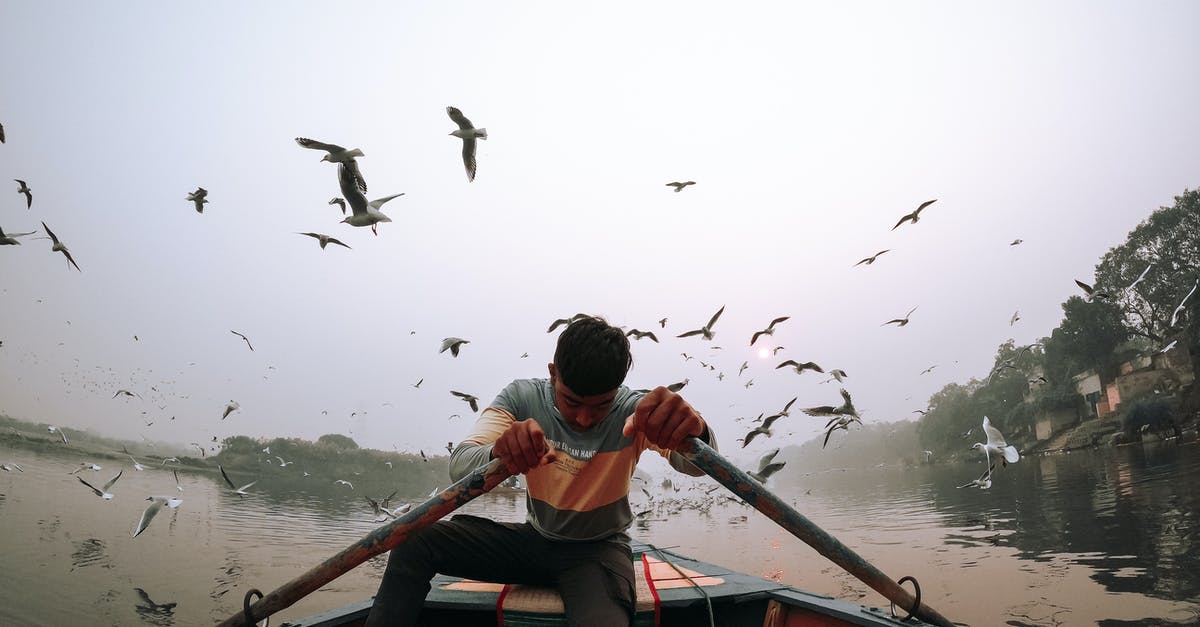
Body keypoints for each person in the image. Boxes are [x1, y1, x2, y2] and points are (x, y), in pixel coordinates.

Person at [365, 315, 716, 626]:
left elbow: (697, 467)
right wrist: (500, 454)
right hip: (533, 543)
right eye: (571, 401)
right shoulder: (521, 398)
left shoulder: (637, 413)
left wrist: (695, 433)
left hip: (598, 553)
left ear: (618, 389)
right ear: (552, 373)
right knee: (411, 539)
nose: (584, 419)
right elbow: (461, 465)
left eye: (601, 406)